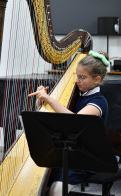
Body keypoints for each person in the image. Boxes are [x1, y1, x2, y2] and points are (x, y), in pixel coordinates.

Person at [28, 50, 110, 195]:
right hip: (65, 154)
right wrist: (41, 101)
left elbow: (74, 122)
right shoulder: (75, 94)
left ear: (97, 80)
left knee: (56, 190)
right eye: (76, 76)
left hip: (85, 158)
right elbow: (50, 117)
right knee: (35, 182)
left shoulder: (98, 103)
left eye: (82, 77)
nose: (77, 80)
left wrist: (50, 99)